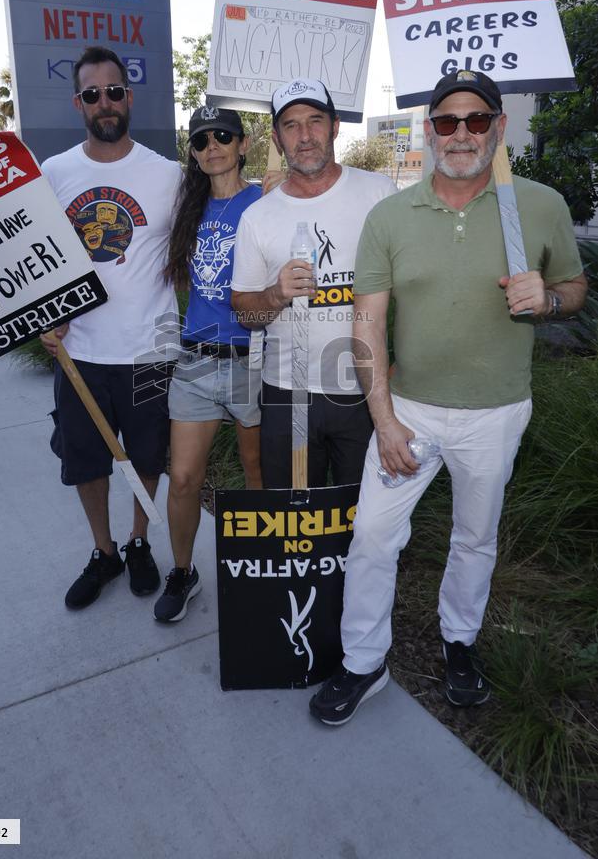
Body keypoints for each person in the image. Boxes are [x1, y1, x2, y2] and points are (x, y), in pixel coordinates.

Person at [309, 69, 587, 724]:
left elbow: (572, 290)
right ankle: (361, 662)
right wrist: (383, 421)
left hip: (495, 413)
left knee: (473, 538)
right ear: (428, 130)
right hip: (408, 411)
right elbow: (367, 322)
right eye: (444, 121)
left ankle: (458, 644)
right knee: (372, 537)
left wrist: (546, 299)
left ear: (498, 126)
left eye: (474, 119)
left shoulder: (538, 206)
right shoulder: (390, 216)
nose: (459, 133)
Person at [41, 45, 181, 610]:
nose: (105, 102)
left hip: (149, 349)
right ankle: (104, 553)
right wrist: (42, 320)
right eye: (93, 94)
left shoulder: (167, 174)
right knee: (87, 461)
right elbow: (35, 260)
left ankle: (139, 542)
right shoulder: (54, 174)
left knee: (147, 456)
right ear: (79, 103)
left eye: (115, 91)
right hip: (79, 353)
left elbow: (209, 234)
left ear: (129, 97)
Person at [231, 78, 396, 488]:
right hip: (288, 391)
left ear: (335, 126)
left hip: (365, 389)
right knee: (295, 520)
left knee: (364, 521)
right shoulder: (259, 216)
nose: (304, 136)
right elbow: (246, 315)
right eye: (291, 125)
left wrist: (400, 367)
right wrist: (275, 294)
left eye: (315, 121)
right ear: (277, 137)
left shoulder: (379, 194)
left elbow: (410, 291)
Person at [154, 106, 263, 623]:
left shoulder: (266, 199)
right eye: (201, 141)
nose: (212, 145)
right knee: (182, 479)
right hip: (196, 360)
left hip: (253, 360)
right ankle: (182, 571)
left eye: (223, 136)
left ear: (243, 144)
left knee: (256, 473)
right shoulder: (188, 210)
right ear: (194, 155)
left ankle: (266, 568)